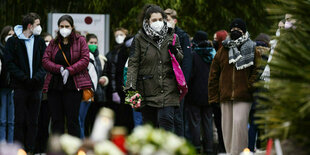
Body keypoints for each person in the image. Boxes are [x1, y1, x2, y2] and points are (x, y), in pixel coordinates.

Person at [125, 4, 183, 133]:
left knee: (166, 123)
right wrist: (130, 89)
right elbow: (133, 64)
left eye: (160, 19)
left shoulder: (173, 36)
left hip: (168, 89)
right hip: (147, 89)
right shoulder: (139, 39)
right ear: (147, 21)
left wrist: (174, 52)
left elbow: (180, 59)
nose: (158, 23)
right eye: (154, 20)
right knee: (149, 128)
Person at [208, 18, 260, 155]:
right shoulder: (222, 50)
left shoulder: (252, 48)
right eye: (233, 29)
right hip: (225, 95)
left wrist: (250, 85)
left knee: (239, 125)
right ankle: (231, 153)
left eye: (238, 29)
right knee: (227, 129)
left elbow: (258, 70)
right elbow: (213, 75)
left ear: (244, 31)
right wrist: (213, 97)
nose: (235, 31)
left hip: (243, 95)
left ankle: (240, 153)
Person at [42, 15, 92, 138]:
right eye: (61, 26)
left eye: (67, 26)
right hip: (55, 84)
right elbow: (45, 60)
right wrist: (58, 68)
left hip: (73, 85)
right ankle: (57, 149)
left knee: (72, 120)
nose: (64, 29)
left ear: (72, 27)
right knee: (56, 120)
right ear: (58, 28)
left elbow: (85, 59)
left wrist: (69, 70)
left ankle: (73, 149)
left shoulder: (80, 40)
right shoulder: (53, 43)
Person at [4, 13, 46, 153]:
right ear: (30, 26)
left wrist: (37, 77)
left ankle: (30, 149)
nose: (39, 27)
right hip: (20, 86)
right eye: (37, 24)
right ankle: (19, 149)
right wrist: (23, 77)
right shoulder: (13, 42)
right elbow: (9, 63)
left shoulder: (39, 41)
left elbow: (45, 62)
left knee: (33, 120)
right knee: (19, 120)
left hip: (36, 86)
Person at [186, 31, 215, 154]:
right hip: (209, 95)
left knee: (195, 123)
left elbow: (190, 75)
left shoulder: (193, 55)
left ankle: (196, 148)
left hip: (194, 95)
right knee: (208, 123)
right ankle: (209, 149)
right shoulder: (213, 55)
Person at [164, 8, 192, 137]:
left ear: (175, 21)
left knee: (178, 116)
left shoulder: (182, 36)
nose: (165, 22)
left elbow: (186, 60)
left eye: (168, 19)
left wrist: (183, 82)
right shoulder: (161, 36)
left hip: (178, 82)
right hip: (164, 81)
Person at [105, 28, 134, 133]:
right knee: (120, 117)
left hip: (132, 90)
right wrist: (114, 91)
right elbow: (112, 73)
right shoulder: (113, 53)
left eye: (121, 35)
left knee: (134, 117)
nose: (119, 37)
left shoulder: (133, 50)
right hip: (120, 89)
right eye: (116, 35)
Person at [80, 33, 108, 138]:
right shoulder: (83, 56)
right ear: (86, 43)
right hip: (87, 94)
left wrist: (105, 79)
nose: (93, 45)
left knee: (97, 121)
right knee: (85, 119)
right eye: (91, 43)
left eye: (95, 43)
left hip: (100, 94)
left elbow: (106, 73)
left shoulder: (102, 58)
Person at [248, 33, 271, 152]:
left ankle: (251, 149)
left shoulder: (250, 53)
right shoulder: (270, 55)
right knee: (266, 124)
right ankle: (266, 148)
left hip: (252, 94)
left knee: (253, 124)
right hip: (266, 94)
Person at [0, 25, 15, 143]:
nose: (11, 37)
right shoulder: (1, 50)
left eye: (13, 35)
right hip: (2, 87)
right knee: (2, 120)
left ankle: (10, 146)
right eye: (9, 34)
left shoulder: (16, 50)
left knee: (11, 121)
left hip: (13, 88)